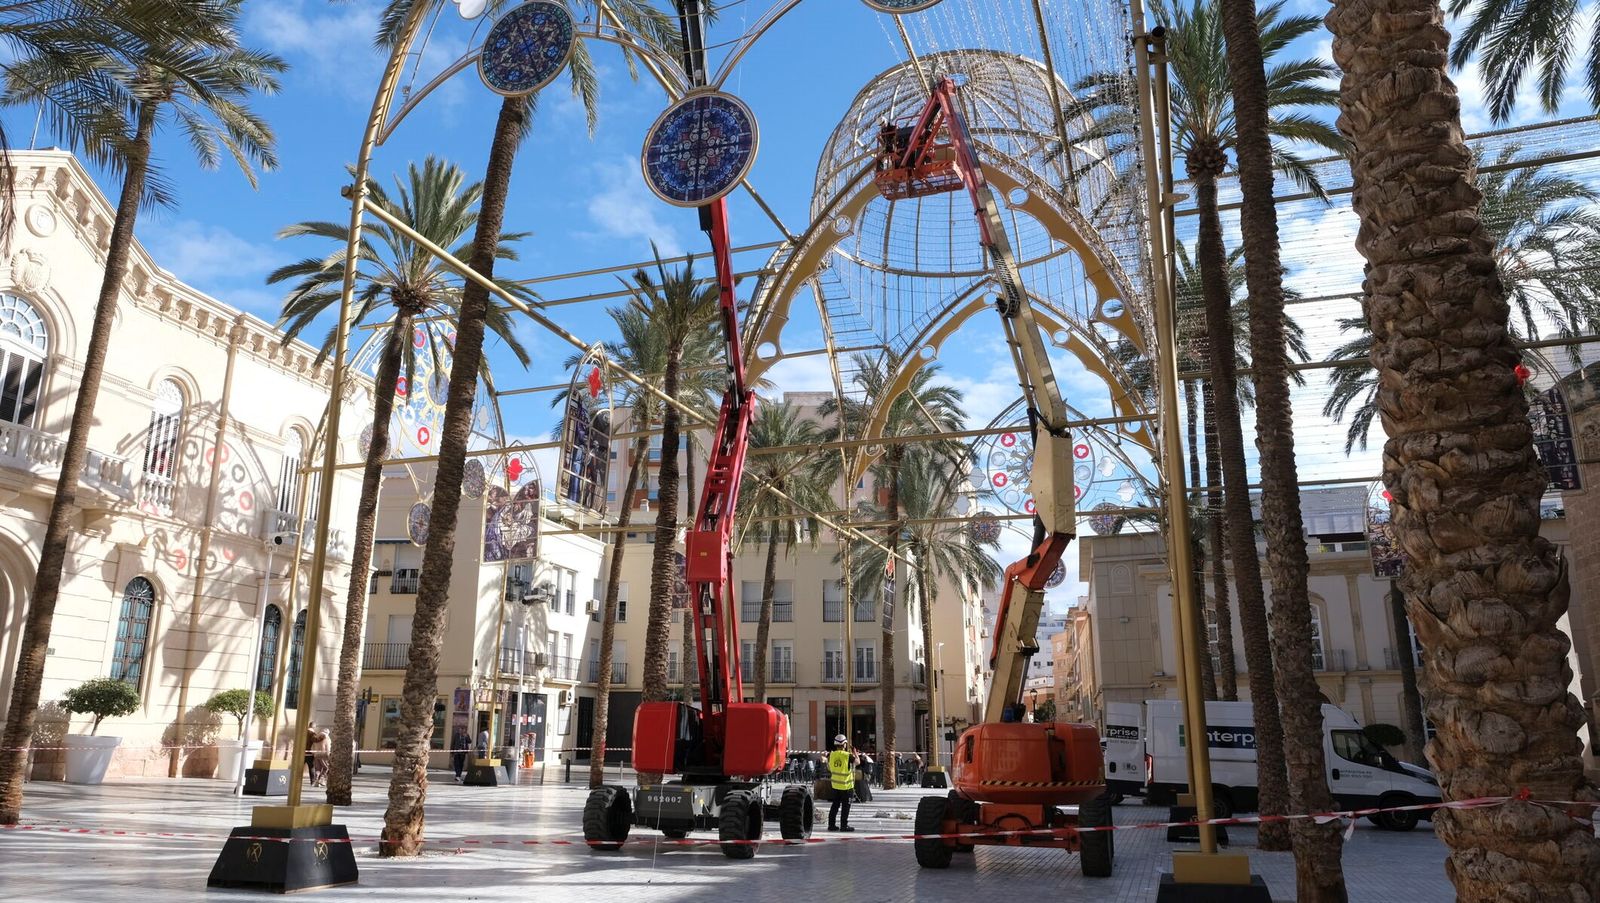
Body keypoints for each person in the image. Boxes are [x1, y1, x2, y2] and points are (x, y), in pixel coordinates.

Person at [827, 734, 857, 832]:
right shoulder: (848, 755)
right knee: (845, 807)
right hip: (846, 786)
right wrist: (855, 753)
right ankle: (844, 826)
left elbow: (829, 767)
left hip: (835, 785)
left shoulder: (831, 754)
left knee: (835, 805)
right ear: (844, 744)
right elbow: (858, 762)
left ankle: (831, 825)